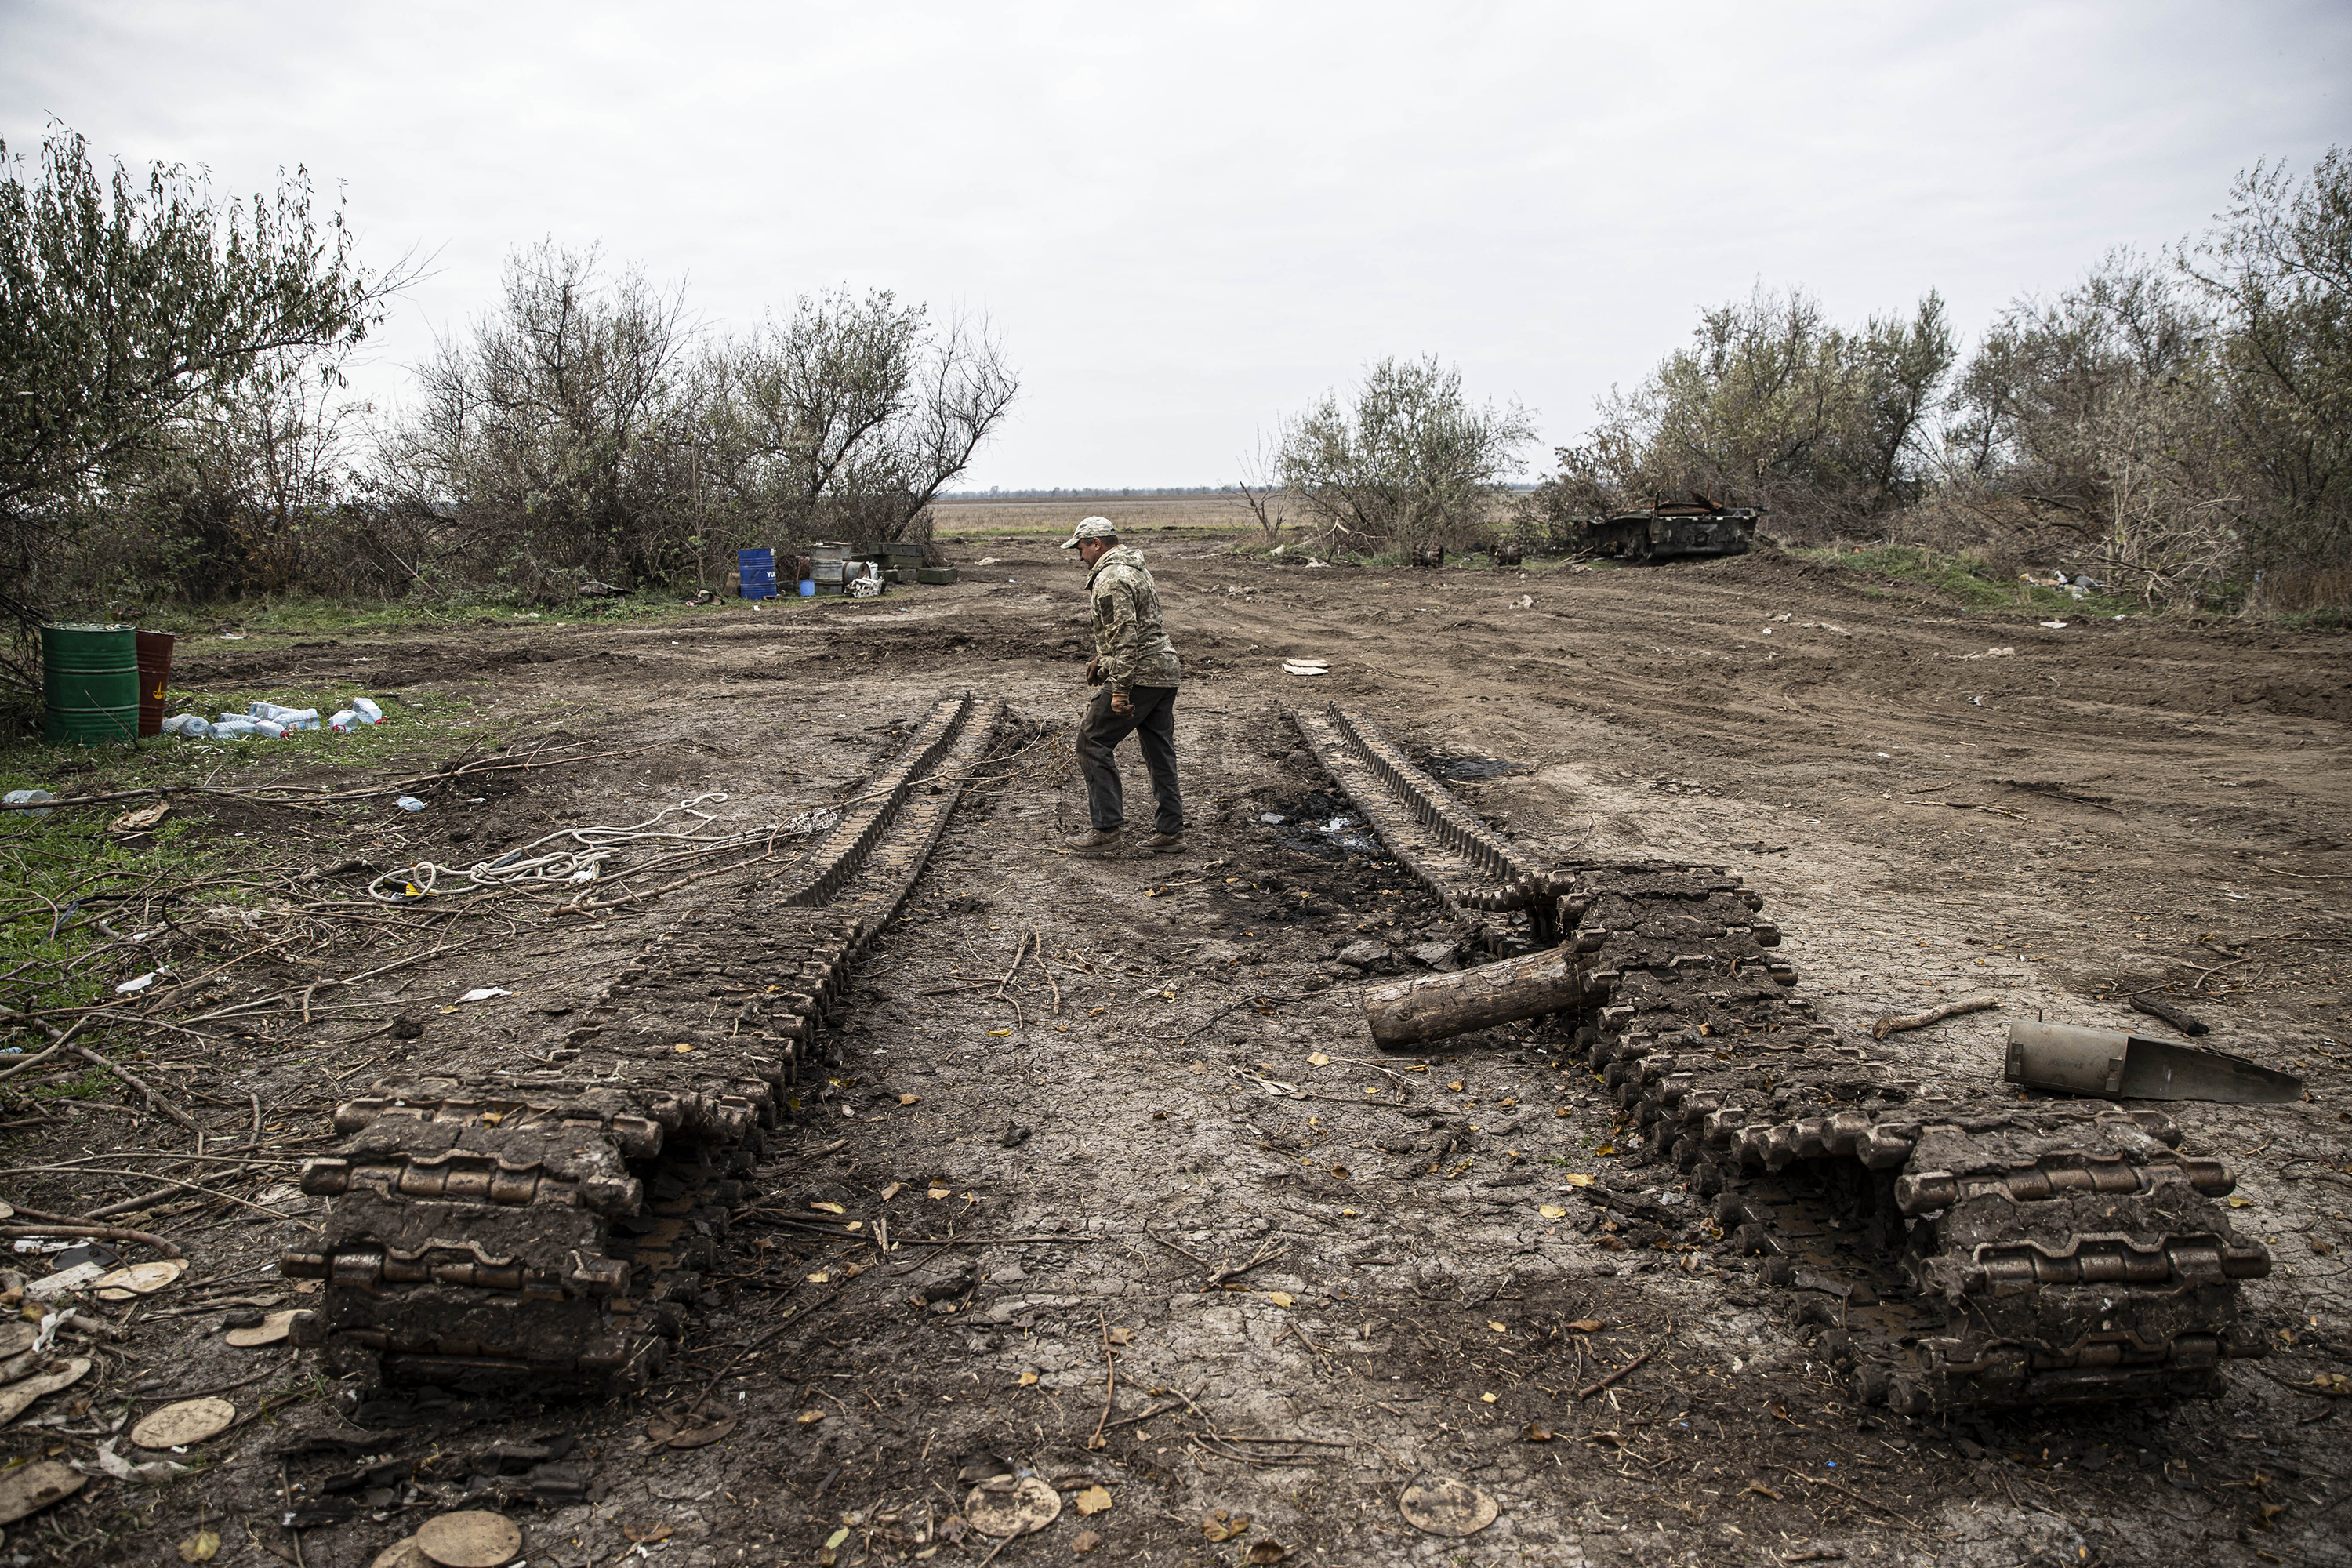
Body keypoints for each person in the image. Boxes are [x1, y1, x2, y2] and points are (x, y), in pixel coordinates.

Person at [1060, 517, 1183, 856]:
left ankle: (1106, 829)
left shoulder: (1111, 578)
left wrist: (1119, 689)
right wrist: (1102, 660)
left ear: (1097, 543)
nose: (1079, 556)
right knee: (1159, 751)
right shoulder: (1136, 568)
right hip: (1163, 670)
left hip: (1140, 674)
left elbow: (1126, 637)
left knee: (1092, 740)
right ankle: (1171, 832)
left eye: (1081, 548)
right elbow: (1141, 627)